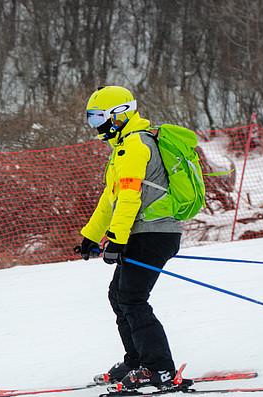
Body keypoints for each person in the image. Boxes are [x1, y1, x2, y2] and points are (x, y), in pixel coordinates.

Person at [78, 86, 182, 390]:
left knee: (132, 298)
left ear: (119, 115)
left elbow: (129, 198)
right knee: (119, 296)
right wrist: (90, 237)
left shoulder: (134, 146)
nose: (96, 126)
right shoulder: (123, 147)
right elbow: (110, 200)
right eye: (91, 119)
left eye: (98, 118)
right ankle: (137, 362)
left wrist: (117, 239)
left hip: (154, 233)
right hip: (143, 233)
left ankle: (159, 368)